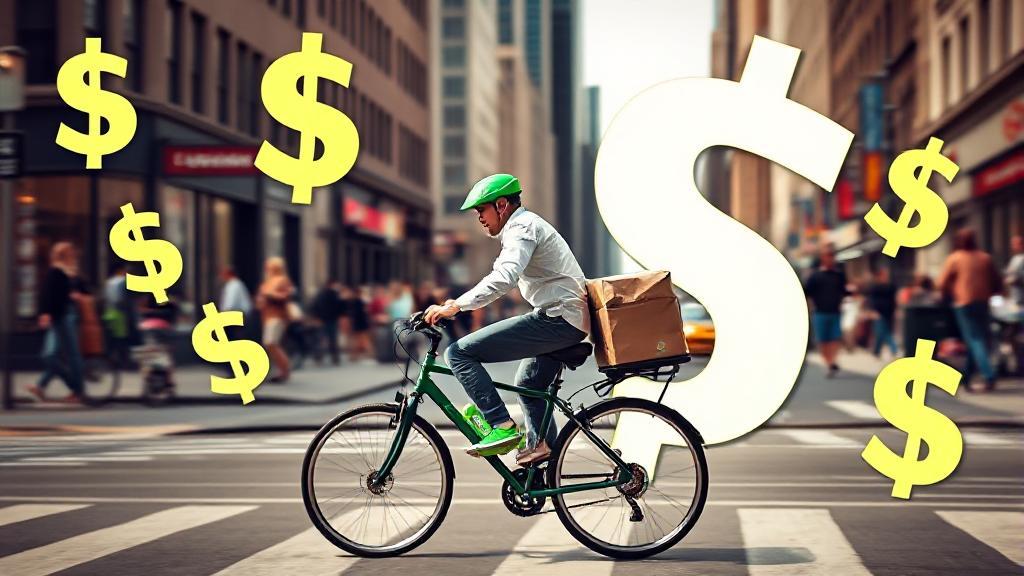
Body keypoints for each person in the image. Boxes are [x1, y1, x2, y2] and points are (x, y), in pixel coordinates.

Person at [424, 174, 589, 466]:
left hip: (558, 318)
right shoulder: (523, 226)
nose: (479, 218)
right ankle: (542, 452)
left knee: (459, 353)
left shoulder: (522, 228)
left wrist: (456, 306)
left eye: (481, 211)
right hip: (564, 317)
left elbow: (504, 277)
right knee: (529, 383)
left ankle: (500, 424)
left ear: (501, 205)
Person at [937, 228, 1003, 392]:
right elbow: (997, 281)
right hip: (983, 302)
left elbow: (942, 282)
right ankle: (966, 376)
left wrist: (949, 292)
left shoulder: (955, 258)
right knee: (978, 339)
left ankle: (988, 375)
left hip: (963, 303)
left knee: (975, 339)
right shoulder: (985, 258)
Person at [28, 242, 86, 404]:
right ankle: (52, 386)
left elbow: (51, 295)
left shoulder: (68, 273)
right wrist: (46, 313)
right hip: (59, 317)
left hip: (65, 317)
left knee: (70, 355)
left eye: (61, 253)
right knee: (50, 355)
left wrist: (75, 295)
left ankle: (78, 391)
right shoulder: (58, 271)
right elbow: (49, 295)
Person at [804, 243, 849, 377]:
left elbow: (844, 291)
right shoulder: (815, 276)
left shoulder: (839, 276)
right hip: (820, 313)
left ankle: (832, 362)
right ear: (823, 258)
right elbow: (807, 293)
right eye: (828, 255)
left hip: (835, 312)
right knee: (823, 341)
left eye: (833, 255)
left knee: (835, 339)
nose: (831, 258)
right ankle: (830, 363)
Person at [257, 257, 295, 383]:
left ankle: (285, 370)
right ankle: (279, 370)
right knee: (269, 344)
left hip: (278, 316)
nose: (267, 268)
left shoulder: (283, 280)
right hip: (267, 316)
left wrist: (270, 294)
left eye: (269, 266)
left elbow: (286, 295)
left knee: (271, 342)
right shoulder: (267, 281)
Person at [867, 267, 899, 358]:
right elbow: (871, 300)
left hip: (889, 312)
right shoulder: (874, 288)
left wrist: (896, 310)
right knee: (883, 332)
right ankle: (894, 349)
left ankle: (876, 351)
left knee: (881, 333)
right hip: (878, 313)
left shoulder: (891, 287)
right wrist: (872, 311)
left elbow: (894, 300)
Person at [311, 280, 345, 365]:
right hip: (332, 320)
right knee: (332, 339)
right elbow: (339, 307)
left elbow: (314, 306)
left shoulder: (320, 294)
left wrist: (316, 317)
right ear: (332, 285)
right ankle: (335, 358)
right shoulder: (335, 294)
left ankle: (318, 358)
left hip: (322, 320)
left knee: (320, 339)